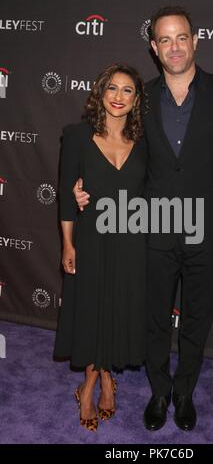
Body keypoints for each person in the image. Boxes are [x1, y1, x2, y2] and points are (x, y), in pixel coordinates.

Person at [73, 6, 213, 432]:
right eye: (164, 40)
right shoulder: (143, 98)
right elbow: (112, 146)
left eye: (181, 38)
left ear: (195, 41)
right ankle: (159, 391)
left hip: (206, 226)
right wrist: (82, 187)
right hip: (152, 224)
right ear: (154, 48)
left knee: (197, 314)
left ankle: (184, 391)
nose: (174, 47)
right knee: (154, 315)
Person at [54, 64, 147, 431]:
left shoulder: (145, 140)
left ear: (136, 99)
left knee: (116, 311)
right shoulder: (78, 136)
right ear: (100, 93)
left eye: (127, 91)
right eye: (112, 88)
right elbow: (65, 196)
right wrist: (67, 243)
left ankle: (104, 378)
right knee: (92, 312)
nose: (118, 97)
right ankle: (91, 384)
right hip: (90, 239)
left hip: (131, 241)